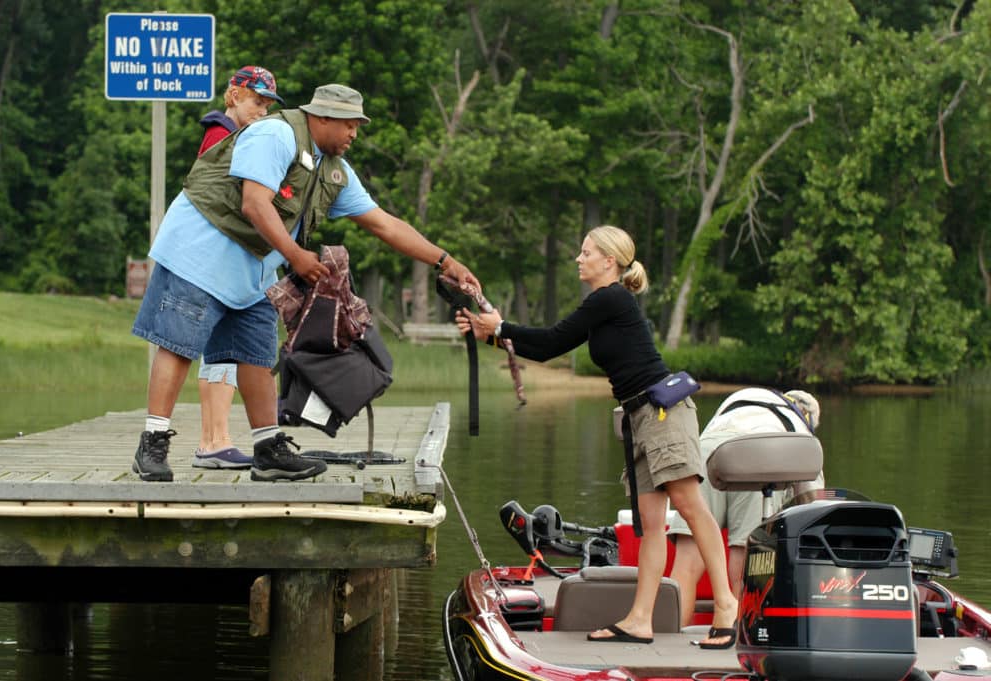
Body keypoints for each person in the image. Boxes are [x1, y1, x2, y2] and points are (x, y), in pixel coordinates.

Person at [132, 83, 479, 484]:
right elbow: (254, 203)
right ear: (323, 117)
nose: (354, 135)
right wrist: (296, 256)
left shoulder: (334, 170)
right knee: (178, 345)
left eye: (357, 127)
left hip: (249, 269)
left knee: (257, 356)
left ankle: (268, 451)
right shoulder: (276, 134)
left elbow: (384, 223)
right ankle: (152, 443)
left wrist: (444, 259)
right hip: (200, 250)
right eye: (349, 125)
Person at [455, 225, 738, 649]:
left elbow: (550, 337)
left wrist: (502, 325)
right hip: (639, 417)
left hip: (664, 413)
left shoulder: (611, 298)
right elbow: (551, 348)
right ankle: (640, 620)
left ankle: (726, 606)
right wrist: (493, 334)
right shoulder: (603, 305)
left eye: (586, 252)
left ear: (609, 261)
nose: (578, 258)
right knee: (652, 526)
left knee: (693, 510)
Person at [192, 65, 285, 471]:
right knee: (219, 351)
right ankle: (214, 440)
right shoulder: (220, 137)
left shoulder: (239, 135)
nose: (261, 111)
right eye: (255, 102)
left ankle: (218, 439)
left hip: (230, 260)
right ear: (233, 96)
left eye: (267, 105)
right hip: (218, 259)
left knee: (224, 352)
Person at [667, 387, 823, 627]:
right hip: (757, 456)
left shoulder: (743, 398)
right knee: (745, 569)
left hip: (707, 451)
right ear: (808, 417)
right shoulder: (798, 426)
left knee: (686, 565)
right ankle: (743, 642)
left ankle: (670, 643)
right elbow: (814, 504)